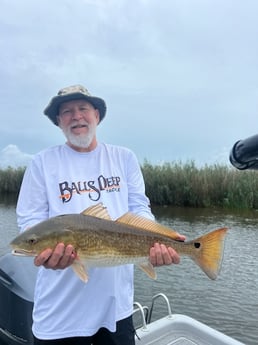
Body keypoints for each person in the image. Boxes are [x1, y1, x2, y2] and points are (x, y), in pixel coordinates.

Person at [16, 84, 185, 345]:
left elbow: (139, 207)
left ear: (97, 115)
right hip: (60, 315)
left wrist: (158, 240)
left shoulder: (124, 158)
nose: (76, 116)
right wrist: (44, 253)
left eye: (83, 109)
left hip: (117, 309)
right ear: (58, 122)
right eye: (67, 112)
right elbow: (30, 221)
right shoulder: (42, 162)